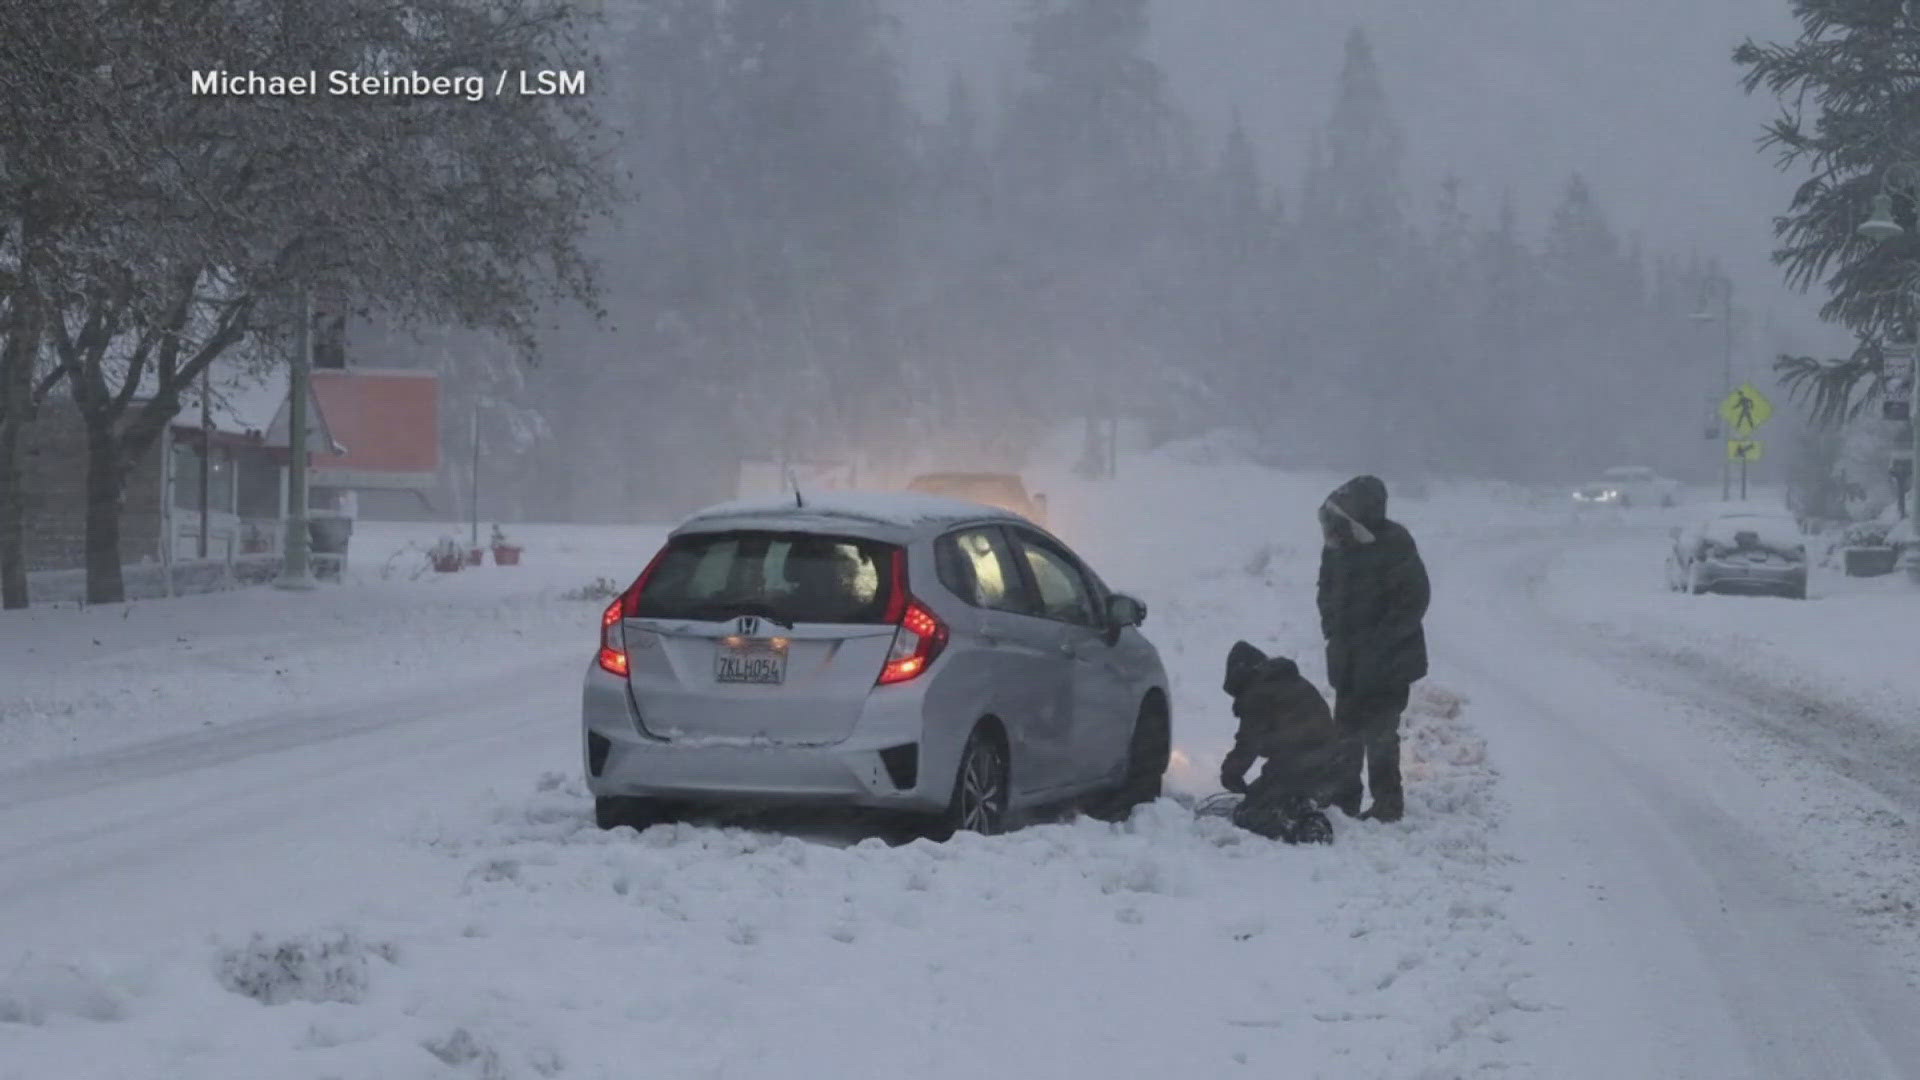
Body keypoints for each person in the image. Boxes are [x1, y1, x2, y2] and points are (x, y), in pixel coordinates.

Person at [1316, 475, 1430, 823]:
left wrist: (1381, 643)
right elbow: (1326, 593)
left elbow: (1414, 599)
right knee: (1345, 731)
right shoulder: (1336, 548)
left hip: (1389, 660)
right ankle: (1344, 797)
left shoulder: (1395, 543)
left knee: (1380, 733)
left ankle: (1387, 803)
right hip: (1348, 658)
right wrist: (1333, 631)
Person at [1218, 641, 1341, 844]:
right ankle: (1301, 803)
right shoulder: (1290, 682)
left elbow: (1248, 743)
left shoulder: (1257, 692)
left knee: (1248, 813)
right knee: (1271, 792)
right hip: (1329, 762)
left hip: (1295, 763)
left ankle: (1297, 824)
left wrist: (1231, 773)